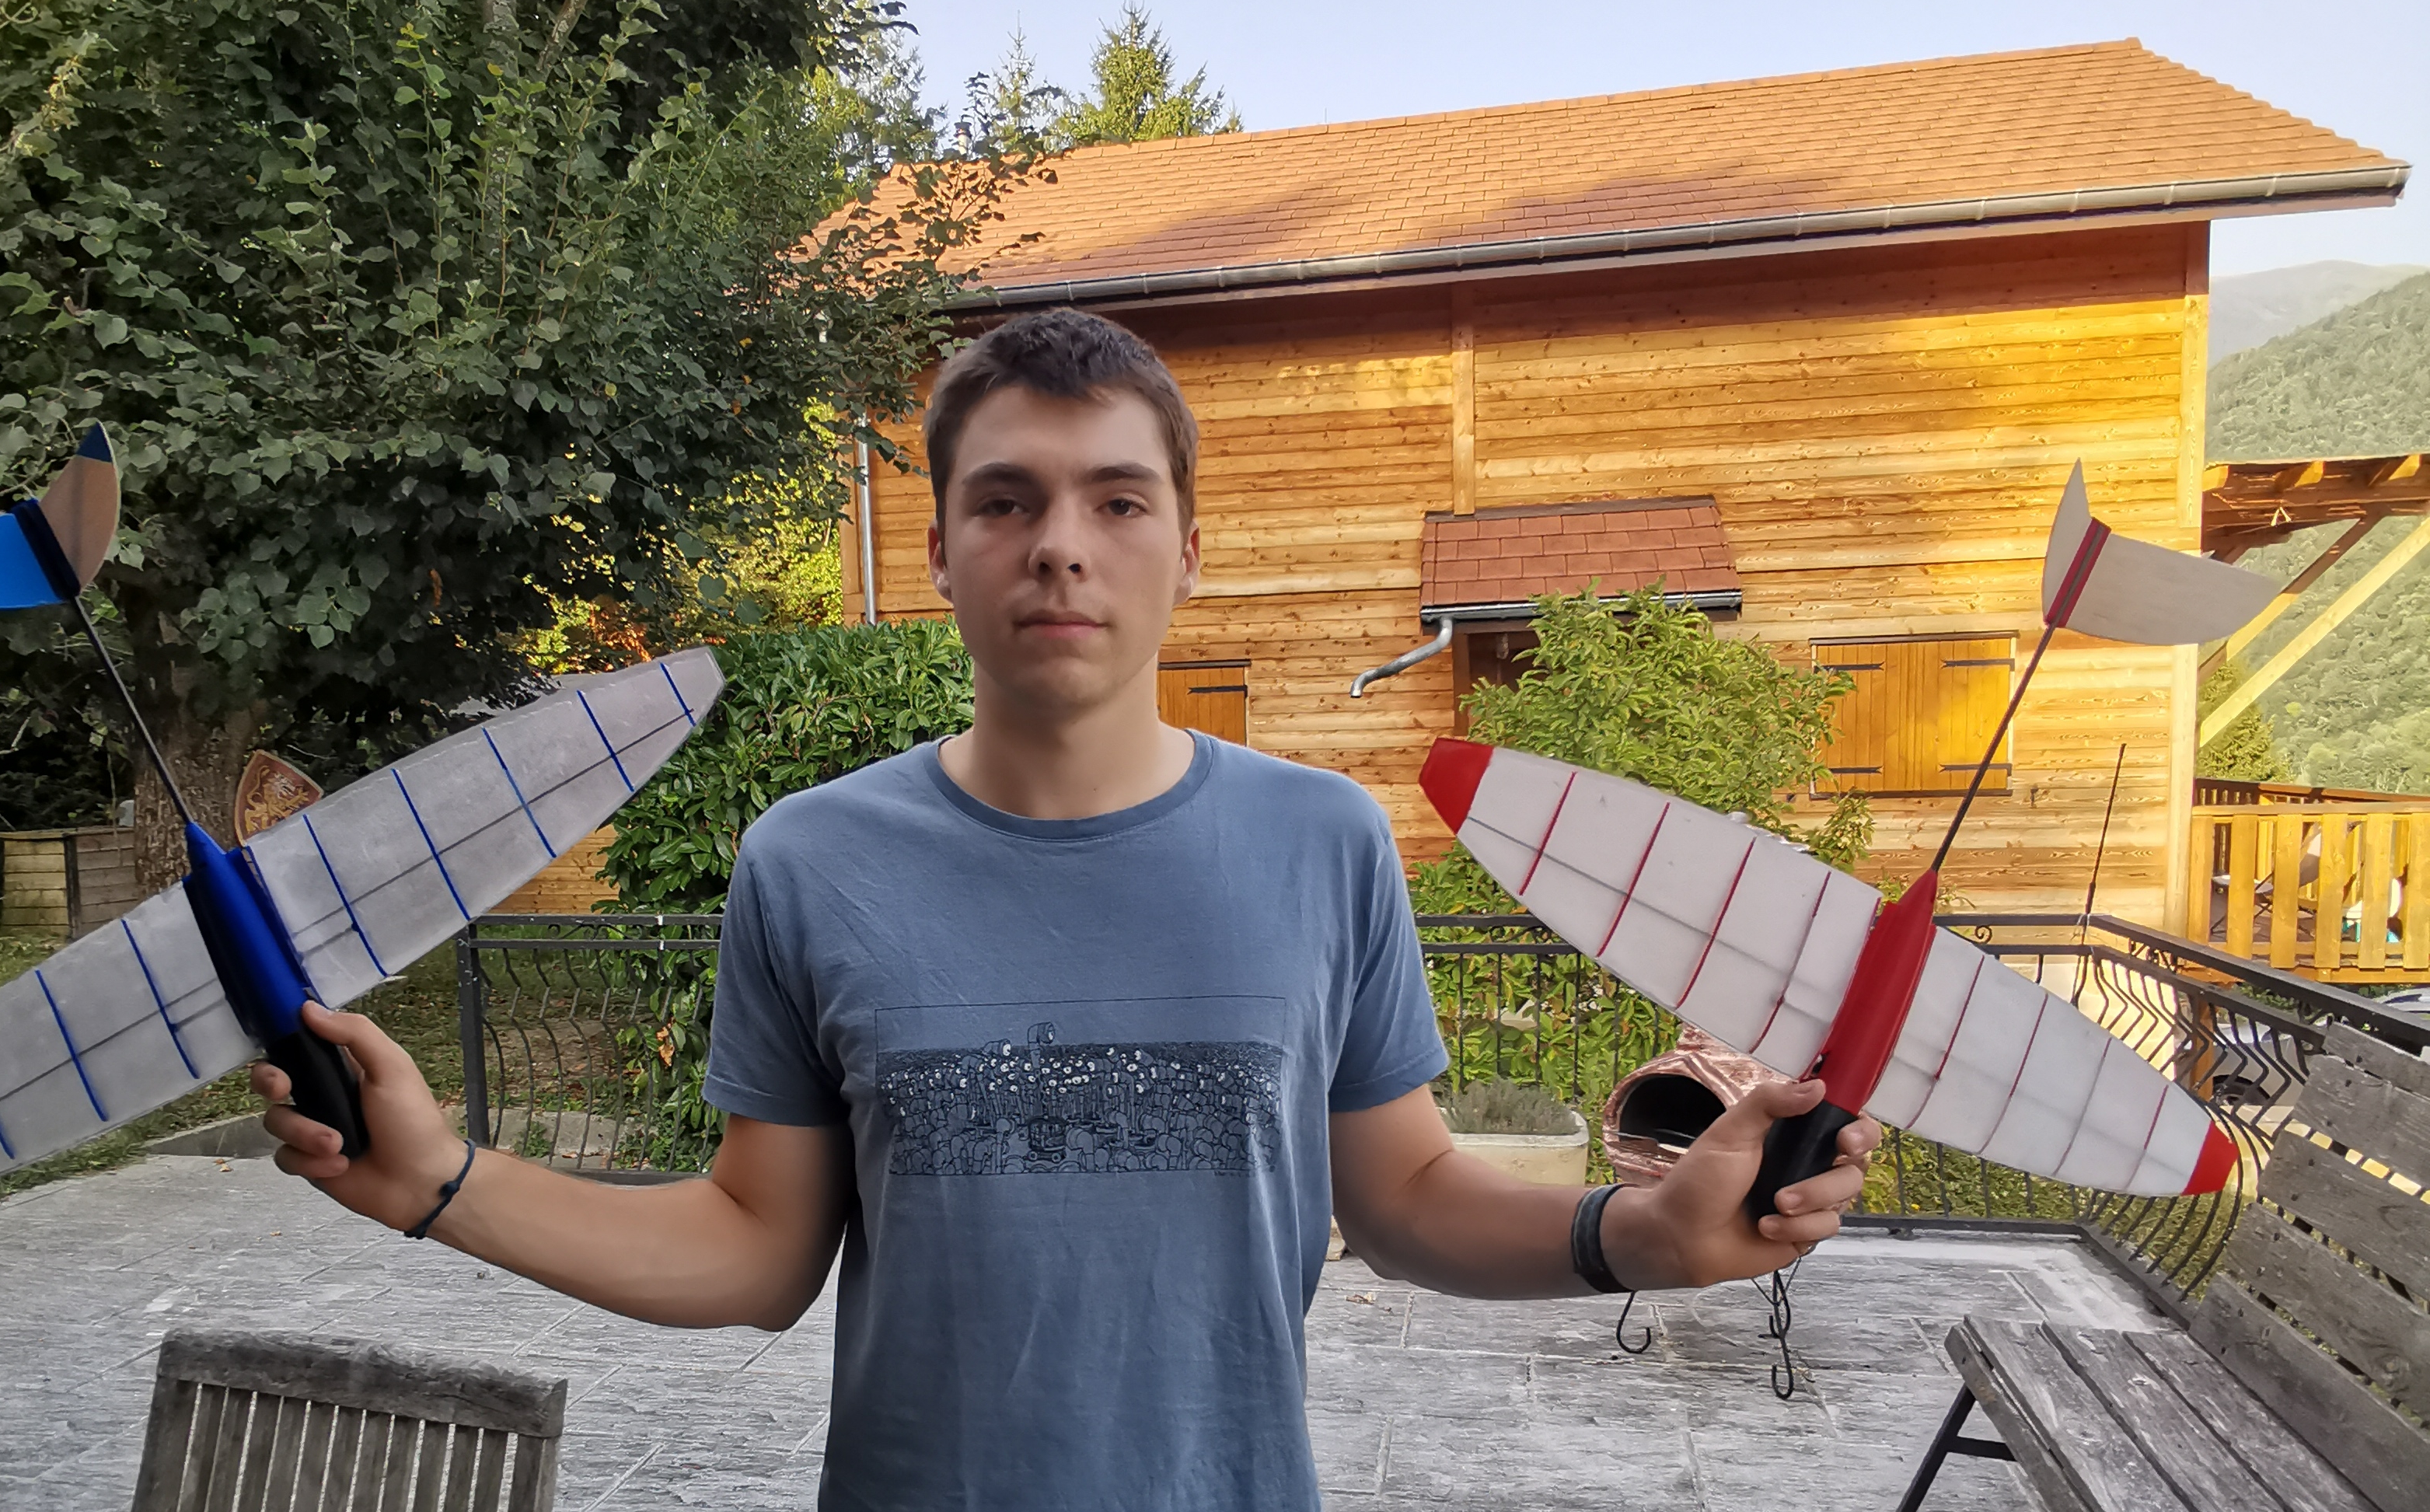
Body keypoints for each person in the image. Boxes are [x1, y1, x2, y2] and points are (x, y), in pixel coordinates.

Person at [255, 308, 1882, 1510]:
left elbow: (1400, 1200)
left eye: (1115, 499)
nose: (1060, 548)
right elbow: (755, 1249)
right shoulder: (810, 860)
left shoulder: (1324, 842)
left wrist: (1641, 1232)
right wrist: (440, 1179)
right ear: (943, 551)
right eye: (1006, 500)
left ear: (1189, 546)